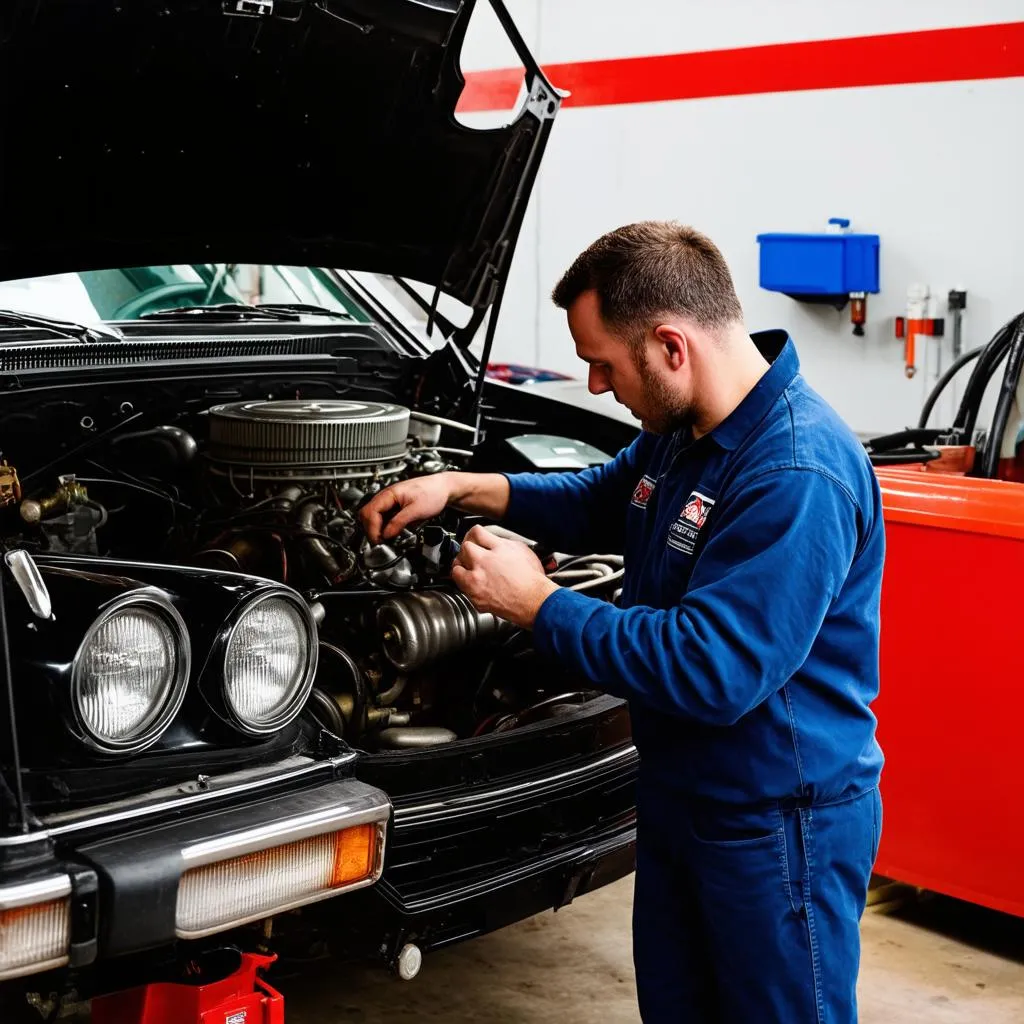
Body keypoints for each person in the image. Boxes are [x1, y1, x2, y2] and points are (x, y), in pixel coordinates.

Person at [360, 222, 885, 1023]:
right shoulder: (686, 433)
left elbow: (713, 670)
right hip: (683, 796)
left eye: (604, 364)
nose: (599, 387)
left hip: (777, 826)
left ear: (672, 346)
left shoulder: (794, 471)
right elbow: (605, 498)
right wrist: (463, 487)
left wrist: (537, 604)